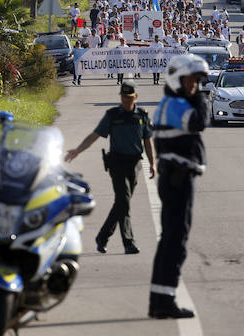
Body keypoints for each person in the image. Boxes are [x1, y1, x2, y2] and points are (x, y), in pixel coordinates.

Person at [149, 53, 209, 319]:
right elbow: (199, 122)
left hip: (174, 177)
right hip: (178, 179)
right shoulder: (176, 105)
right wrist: (201, 98)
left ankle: (159, 299)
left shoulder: (168, 101)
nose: (194, 86)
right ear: (176, 80)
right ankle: (165, 301)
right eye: (189, 81)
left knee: (170, 241)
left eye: (197, 82)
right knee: (176, 242)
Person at [66, 80, 156, 255]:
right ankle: (128, 242)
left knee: (122, 203)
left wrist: (153, 163)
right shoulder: (113, 115)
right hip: (117, 163)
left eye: (129, 98)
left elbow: (147, 141)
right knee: (124, 201)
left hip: (135, 164)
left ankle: (102, 237)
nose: (126, 101)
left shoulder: (142, 116)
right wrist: (78, 150)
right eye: (123, 97)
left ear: (135, 97)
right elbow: (95, 135)